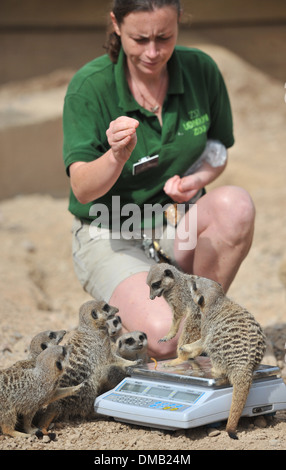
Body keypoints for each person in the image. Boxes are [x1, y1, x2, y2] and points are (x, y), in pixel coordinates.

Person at [63, 0, 255, 360]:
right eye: (140, 39)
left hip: (174, 224)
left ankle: (197, 326)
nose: (153, 51)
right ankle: (149, 329)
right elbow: (82, 188)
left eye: (164, 37)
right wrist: (116, 156)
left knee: (236, 205)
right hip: (111, 230)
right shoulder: (89, 86)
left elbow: (217, 148)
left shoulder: (201, 69)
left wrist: (196, 179)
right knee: (165, 339)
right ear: (116, 25)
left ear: (179, 21)